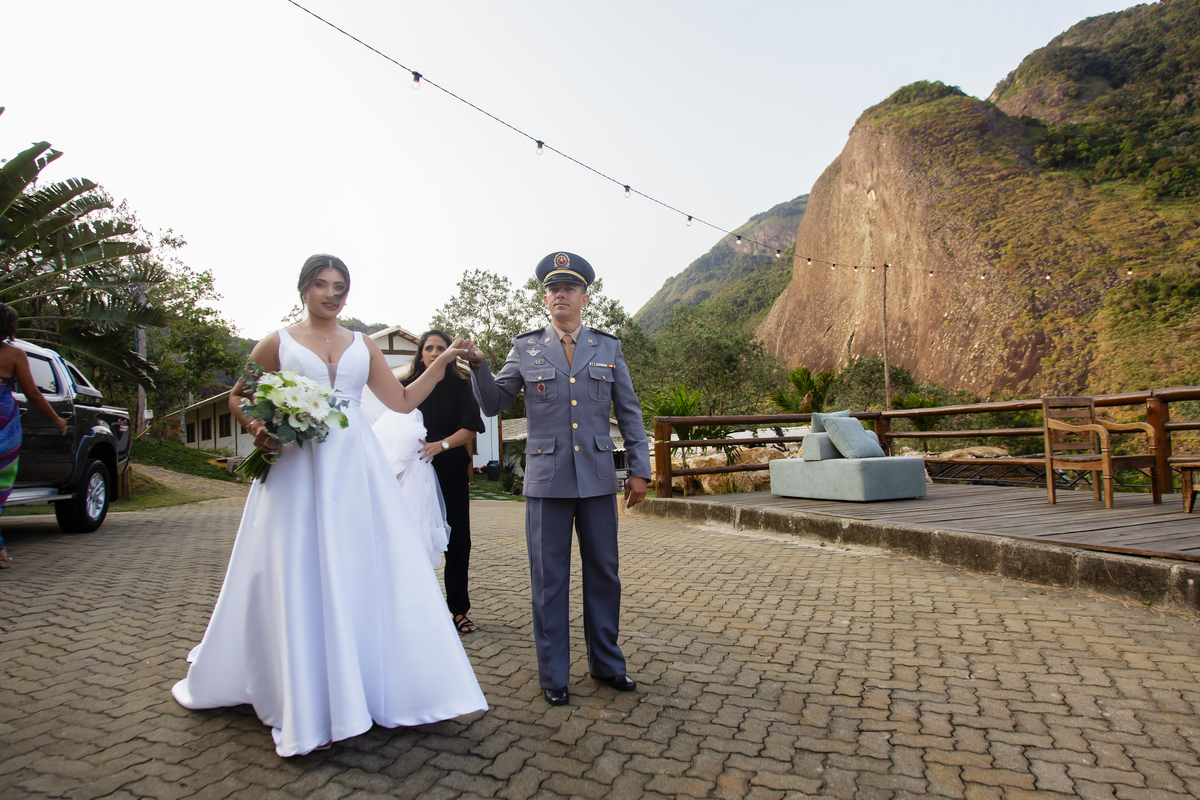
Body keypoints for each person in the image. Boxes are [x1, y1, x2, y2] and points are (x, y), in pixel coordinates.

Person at [171, 255, 487, 757]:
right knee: (297, 564)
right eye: (321, 284)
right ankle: (301, 684)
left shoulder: (362, 344)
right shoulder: (278, 341)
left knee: (361, 562)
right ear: (303, 289)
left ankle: (362, 674)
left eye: (340, 286)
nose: (332, 294)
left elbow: (403, 401)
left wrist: (444, 362)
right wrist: (259, 428)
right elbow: (239, 396)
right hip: (298, 464)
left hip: (354, 466)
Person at [464, 251, 651, 706]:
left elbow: (629, 411)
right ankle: (554, 675)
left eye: (569, 288)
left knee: (604, 574)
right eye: (552, 289)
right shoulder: (524, 347)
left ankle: (607, 664)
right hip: (547, 482)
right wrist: (477, 365)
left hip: (597, 479)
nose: (560, 294)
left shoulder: (608, 347)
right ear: (545, 299)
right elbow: (492, 404)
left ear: (585, 296)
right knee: (549, 579)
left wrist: (640, 471)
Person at [403, 330, 486, 634]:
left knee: (458, 539)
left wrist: (442, 446)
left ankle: (458, 611)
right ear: (420, 354)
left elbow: (471, 429)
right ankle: (414, 610)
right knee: (412, 537)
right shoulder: (405, 387)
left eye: (441, 348)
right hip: (415, 471)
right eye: (429, 348)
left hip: (450, 468)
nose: (435, 353)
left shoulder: (461, 386)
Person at [0, 304, 69, 569]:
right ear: (10, 327)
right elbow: (34, 394)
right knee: (1, 483)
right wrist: (56, 418)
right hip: (4, 422)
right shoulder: (15, 354)